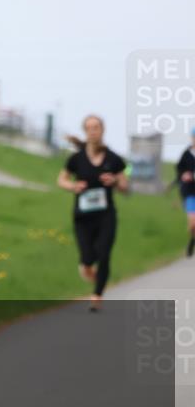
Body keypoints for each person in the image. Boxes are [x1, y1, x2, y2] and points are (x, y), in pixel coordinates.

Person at [56, 115, 129, 312]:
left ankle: (97, 295)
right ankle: (96, 277)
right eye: (89, 128)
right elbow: (61, 180)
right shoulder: (76, 159)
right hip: (83, 217)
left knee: (104, 253)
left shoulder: (114, 159)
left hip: (106, 215)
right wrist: (73, 186)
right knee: (87, 259)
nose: (93, 131)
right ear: (85, 131)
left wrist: (114, 182)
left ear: (102, 130)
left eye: (96, 127)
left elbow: (125, 186)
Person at [176, 127, 195, 257]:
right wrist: (184, 175)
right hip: (190, 192)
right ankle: (192, 240)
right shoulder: (186, 154)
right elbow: (179, 170)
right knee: (193, 223)